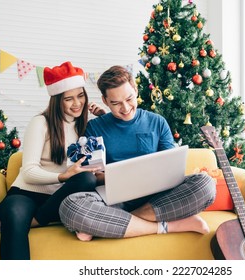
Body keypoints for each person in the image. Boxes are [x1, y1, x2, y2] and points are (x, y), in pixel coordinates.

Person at [59, 65, 216, 241]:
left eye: (129, 99)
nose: (125, 108)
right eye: (116, 103)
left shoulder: (157, 122)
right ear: (105, 100)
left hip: (157, 197)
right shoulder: (94, 127)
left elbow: (170, 168)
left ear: (135, 90)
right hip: (114, 198)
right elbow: (91, 175)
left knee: (205, 184)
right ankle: (166, 226)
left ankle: (110, 224)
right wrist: (116, 176)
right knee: (71, 207)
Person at [0, 61, 104, 259]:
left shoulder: (85, 125)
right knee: (16, 214)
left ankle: (34, 220)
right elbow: (28, 171)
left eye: (80, 96)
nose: (77, 103)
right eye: (68, 99)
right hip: (26, 194)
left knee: (87, 180)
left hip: (58, 199)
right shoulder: (41, 122)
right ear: (57, 100)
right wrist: (62, 176)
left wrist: (104, 117)